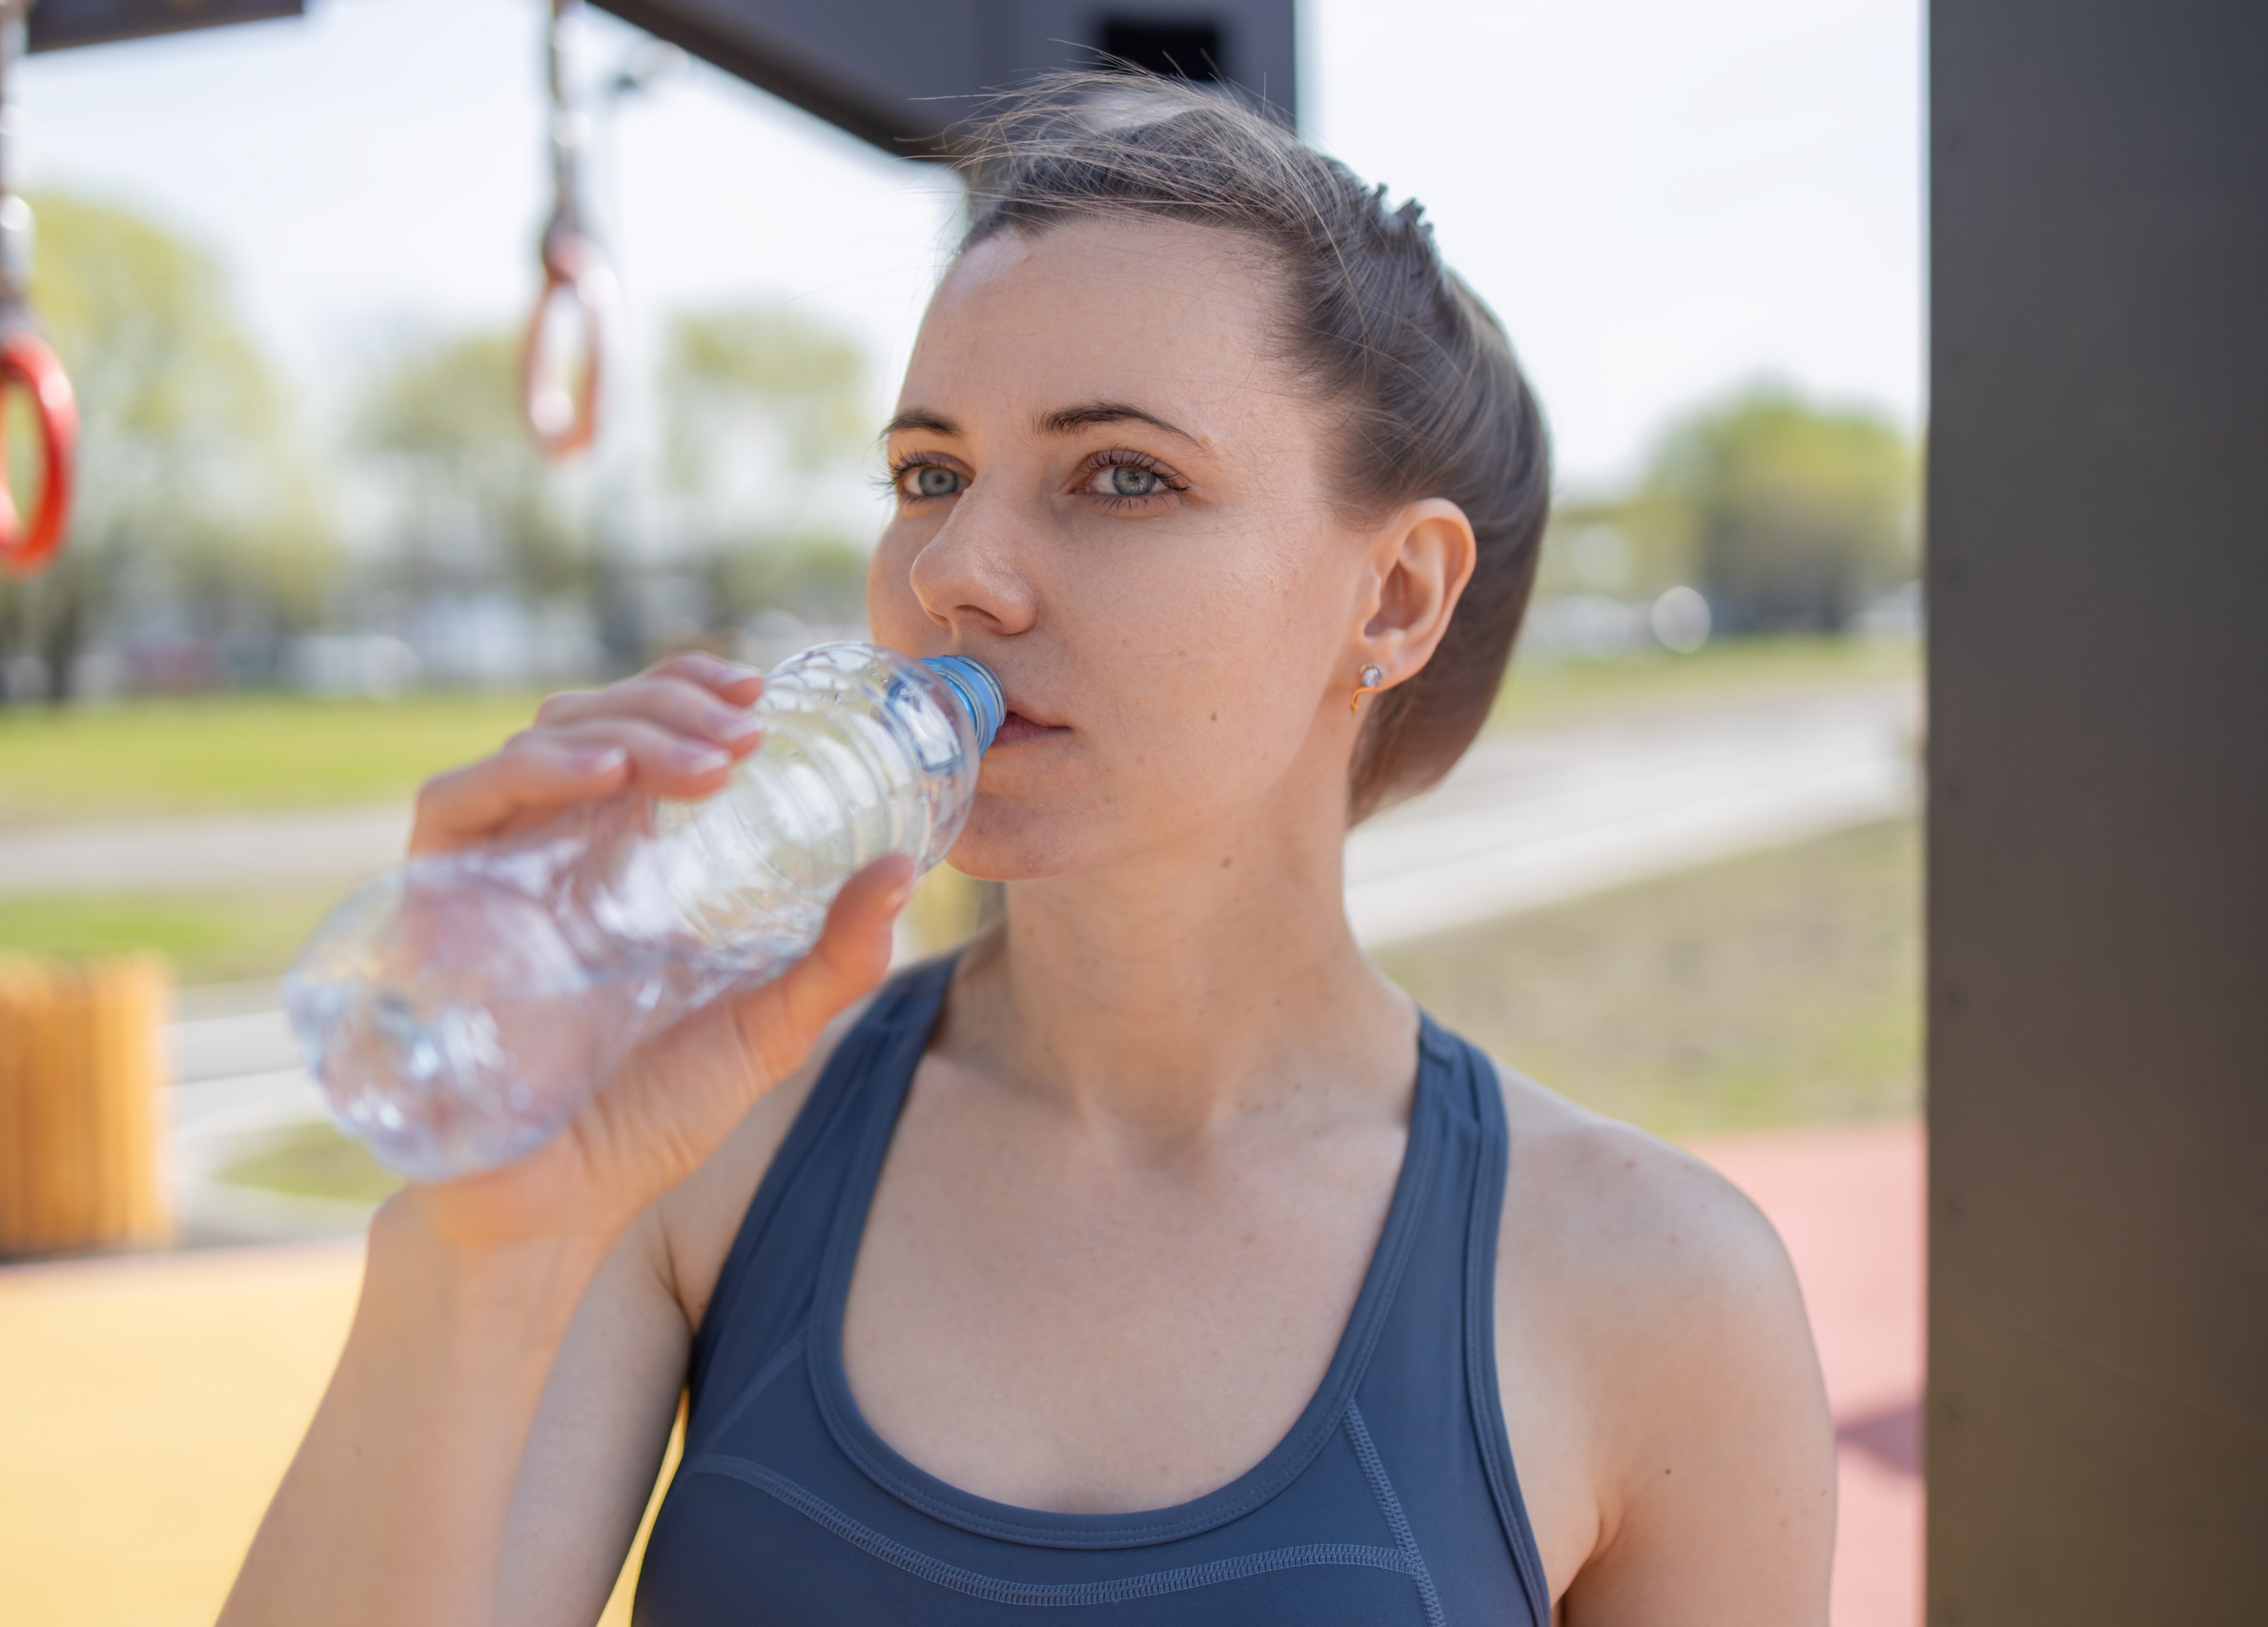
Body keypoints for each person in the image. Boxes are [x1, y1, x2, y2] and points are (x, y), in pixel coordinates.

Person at [222, 73, 1833, 1627]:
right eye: (929, 474)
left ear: (1396, 598)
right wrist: (477, 1238)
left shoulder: (1653, 1288)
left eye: (1122, 476)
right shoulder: (695, 1144)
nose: (959, 572)